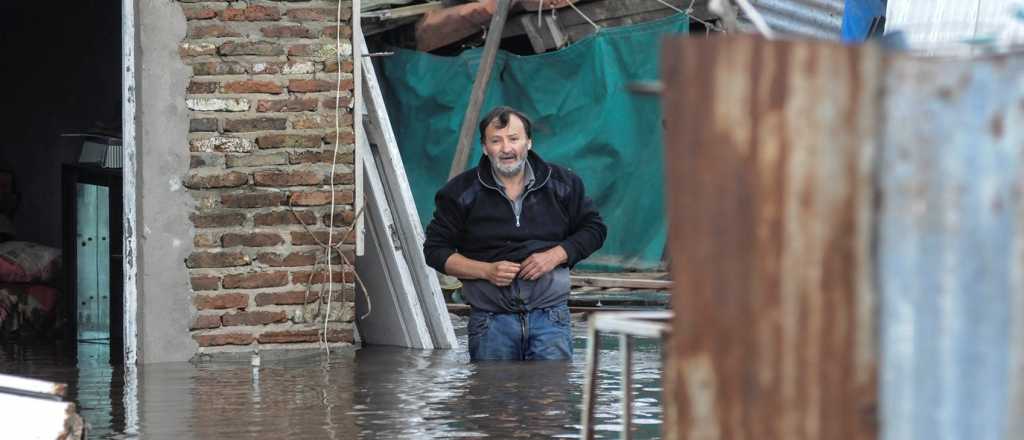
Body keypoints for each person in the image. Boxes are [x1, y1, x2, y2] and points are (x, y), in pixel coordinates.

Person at [423, 106, 606, 361]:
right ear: (485, 147)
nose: (506, 149)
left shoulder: (563, 184)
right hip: (490, 321)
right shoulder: (459, 192)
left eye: (514, 139)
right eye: (496, 141)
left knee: (551, 398)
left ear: (529, 142)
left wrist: (555, 255)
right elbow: (434, 251)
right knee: (492, 398)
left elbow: (594, 229)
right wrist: (486, 271)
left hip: (550, 318)